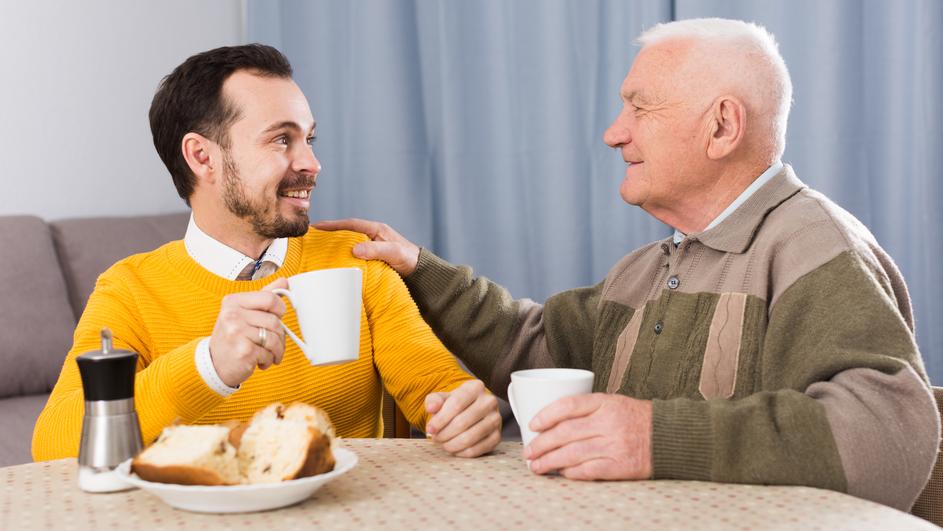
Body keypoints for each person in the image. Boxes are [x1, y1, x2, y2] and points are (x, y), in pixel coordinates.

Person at [316, 18, 939, 510]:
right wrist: (419, 268)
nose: (615, 133)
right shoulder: (649, 267)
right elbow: (536, 347)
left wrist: (652, 437)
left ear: (721, 126)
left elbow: (886, 434)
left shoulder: (814, 246)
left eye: (640, 108)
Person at [32, 44, 501, 460]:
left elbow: (436, 388)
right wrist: (207, 367)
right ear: (202, 157)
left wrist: (464, 412)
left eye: (308, 138)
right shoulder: (129, 290)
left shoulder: (357, 261)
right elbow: (54, 442)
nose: (312, 164)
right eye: (282, 139)